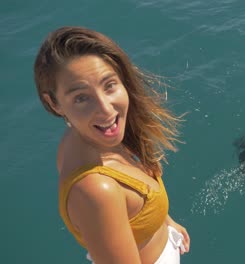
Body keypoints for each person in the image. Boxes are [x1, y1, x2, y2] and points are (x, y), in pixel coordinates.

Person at [34, 26, 190, 264]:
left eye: (109, 85)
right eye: (81, 98)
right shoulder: (98, 191)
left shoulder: (77, 137)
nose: (106, 110)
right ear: (54, 103)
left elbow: (129, 211)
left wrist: (163, 220)